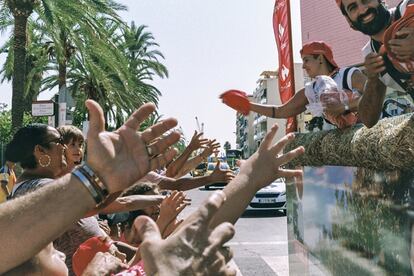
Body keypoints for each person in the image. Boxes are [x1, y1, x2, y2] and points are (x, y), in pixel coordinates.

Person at [1, 100, 180, 273]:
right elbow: (96, 203)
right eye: (59, 142)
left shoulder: (41, 185)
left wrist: (110, 178)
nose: (65, 148)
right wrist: (102, 174)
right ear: (40, 151)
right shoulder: (36, 187)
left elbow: (96, 204)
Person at [247, 41, 366, 130]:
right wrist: (248, 105)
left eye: (306, 60)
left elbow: (373, 98)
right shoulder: (312, 90)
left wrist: (342, 106)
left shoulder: (349, 75)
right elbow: (280, 111)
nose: (303, 66)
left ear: (320, 58)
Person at [336, 0, 414, 127]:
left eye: (365, 0)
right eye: (353, 7)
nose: (363, 10)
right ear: (350, 22)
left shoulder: (407, 9)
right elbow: (368, 120)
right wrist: (372, 79)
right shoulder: (371, 53)